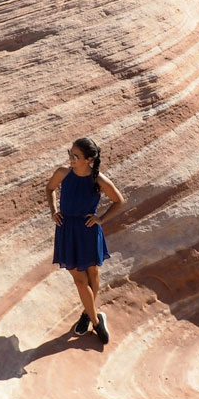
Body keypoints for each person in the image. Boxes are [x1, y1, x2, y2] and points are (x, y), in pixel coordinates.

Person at [46, 137, 126, 344]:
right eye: (70, 154)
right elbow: (49, 189)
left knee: (92, 274)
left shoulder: (98, 180)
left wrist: (101, 219)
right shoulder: (62, 173)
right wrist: (54, 211)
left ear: (88, 159)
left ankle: (86, 313)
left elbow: (119, 201)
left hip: (88, 231)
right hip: (66, 230)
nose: (70, 159)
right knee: (81, 281)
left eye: (75, 156)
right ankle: (97, 322)